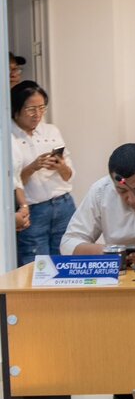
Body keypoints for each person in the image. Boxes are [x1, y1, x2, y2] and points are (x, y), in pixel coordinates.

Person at [11, 82, 75, 265]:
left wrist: (60, 166)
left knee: (67, 262)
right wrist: (33, 167)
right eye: (31, 109)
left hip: (63, 204)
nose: (37, 114)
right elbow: (13, 182)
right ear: (16, 108)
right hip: (33, 209)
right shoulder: (8, 137)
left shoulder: (51, 130)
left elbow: (68, 175)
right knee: (36, 266)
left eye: (41, 108)